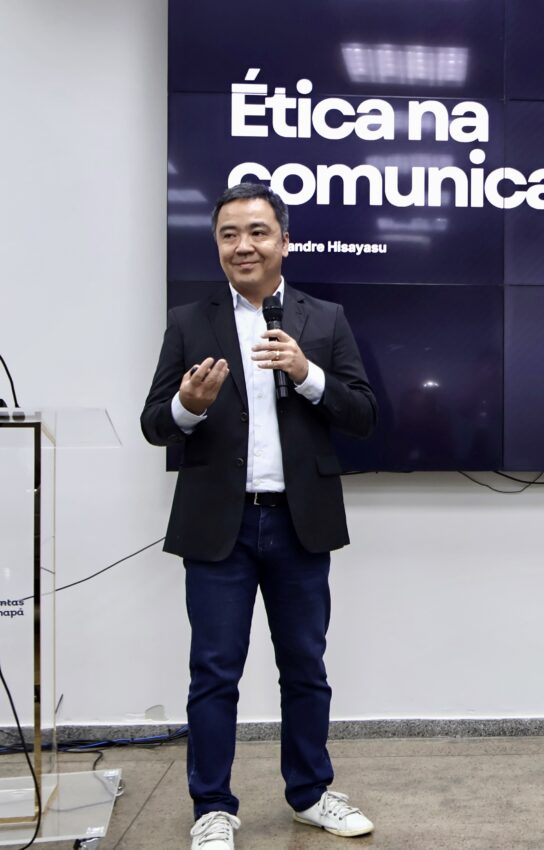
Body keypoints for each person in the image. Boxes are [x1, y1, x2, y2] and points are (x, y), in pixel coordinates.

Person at [141, 182, 378, 849]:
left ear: (284, 241)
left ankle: (310, 794)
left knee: (305, 667)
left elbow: (363, 415)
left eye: (257, 232)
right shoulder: (189, 321)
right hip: (219, 526)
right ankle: (212, 808)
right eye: (228, 234)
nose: (243, 245)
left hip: (300, 524)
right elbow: (156, 424)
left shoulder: (324, 319)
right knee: (214, 673)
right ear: (217, 245)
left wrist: (306, 373)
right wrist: (188, 406)